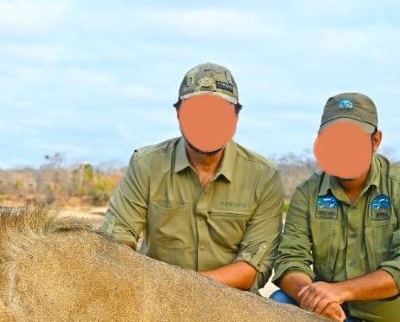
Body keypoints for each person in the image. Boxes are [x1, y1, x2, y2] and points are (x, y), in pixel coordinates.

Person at [271, 93, 400, 322]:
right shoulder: (307, 192)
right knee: (281, 301)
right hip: (329, 318)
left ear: (376, 140)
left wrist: (339, 291)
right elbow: (289, 260)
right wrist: (314, 297)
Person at [100, 62, 284, 292]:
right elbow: (115, 243)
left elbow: (252, 269)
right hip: (157, 297)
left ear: (236, 118)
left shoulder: (263, 176)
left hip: (234, 307)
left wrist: (183, 289)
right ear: (178, 114)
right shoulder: (146, 164)